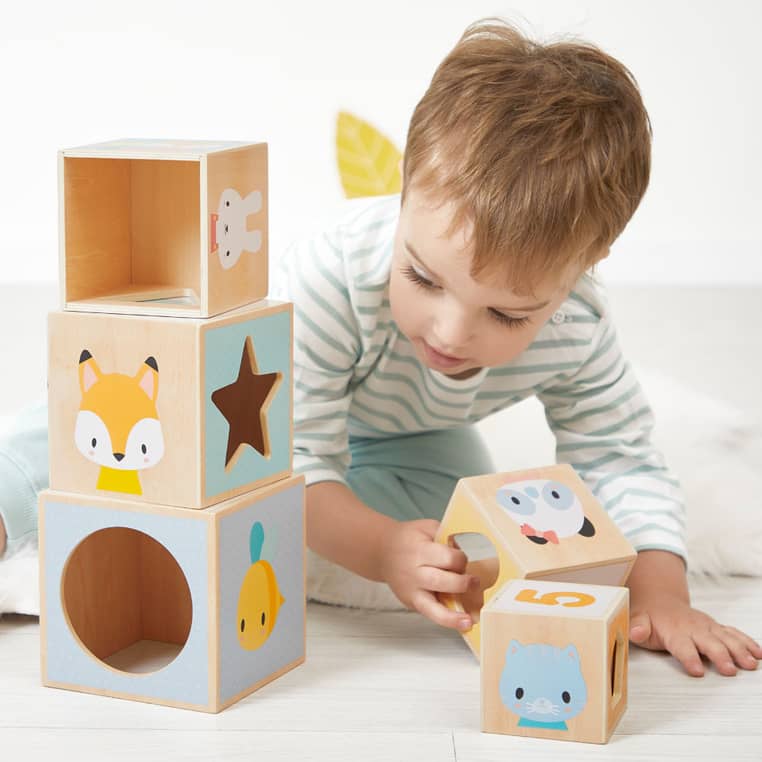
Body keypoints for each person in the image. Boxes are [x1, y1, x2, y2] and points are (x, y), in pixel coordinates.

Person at [1, 20, 759, 677]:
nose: (451, 333)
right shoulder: (331, 275)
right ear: (402, 195)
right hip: (263, 414)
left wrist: (662, 593)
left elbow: (620, 457)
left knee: (463, 530)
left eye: (506, 314)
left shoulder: (578, 327)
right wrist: (375, 552)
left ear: (585, 268)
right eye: (423, 278)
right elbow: (293, 456)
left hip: (407, 433)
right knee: (118, 408)